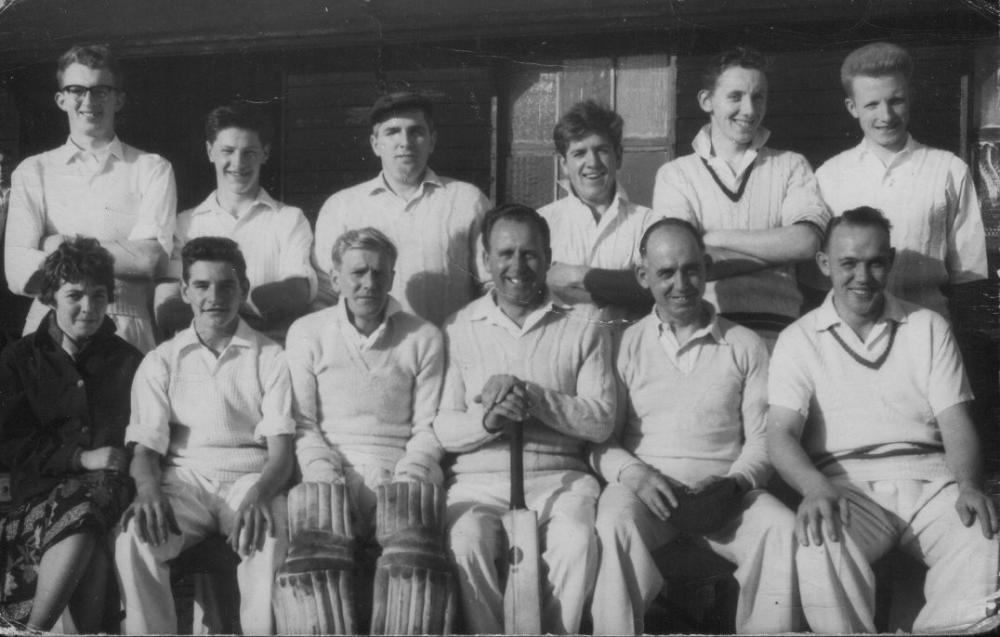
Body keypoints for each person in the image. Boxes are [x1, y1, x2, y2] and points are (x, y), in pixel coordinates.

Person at [767, 207, 998, 633]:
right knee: (818, 547)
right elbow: (780, 436)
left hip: (931, 484)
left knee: (985, 544)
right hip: (845, 487)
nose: (862, 276)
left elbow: (956, 422)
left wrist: (968, 484)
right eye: (848, 264)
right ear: (824, 266)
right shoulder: (797, 339)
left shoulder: (927, 326)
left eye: (875, 263)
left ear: (890, 261)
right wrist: (814, 488)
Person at [590, 218, 806, 634]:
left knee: (782, 529)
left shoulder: (744, 343)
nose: (681, 284)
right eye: (666, 273)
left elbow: (763, 438)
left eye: (691, 269)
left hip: (725, 497)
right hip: (646, 497)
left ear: (706, 268)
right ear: (643, 276)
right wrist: (636, 475)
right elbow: (601, 439)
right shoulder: (623, 345)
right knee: (612, 522)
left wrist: (736, 484)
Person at [434, 204, 616, 634]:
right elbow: (443, 426)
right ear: (486, 259)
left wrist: (534, 398)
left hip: (561, 480)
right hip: (480, 482)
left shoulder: (585, 324)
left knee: (575, 542)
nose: (518, 266)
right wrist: (490, 420)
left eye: (530, 254)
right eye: (505, 254)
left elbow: (602, 420)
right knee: (466, 542)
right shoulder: (459, 326)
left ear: (549, 257)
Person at [114, 237, 294, 635]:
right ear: (184, 291)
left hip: (250, 480)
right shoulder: (161, 360)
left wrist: (259, 495)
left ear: (243, 290)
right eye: (201, 286)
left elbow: (282, 454)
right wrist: (148, 492)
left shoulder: (271, 357)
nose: (215, 297)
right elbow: (144, 451)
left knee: (268, 539)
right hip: (186, 483)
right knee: (134, 540)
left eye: (227, 286)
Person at [0, 237, 142, 632]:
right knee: (89, 542)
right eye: (75, 295)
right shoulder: (19, 360)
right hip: (37, 503)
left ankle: (31, 632)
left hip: (108, 498)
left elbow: (143, 436)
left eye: (99, 296)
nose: (89, 308)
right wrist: (78, 457)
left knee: (89, 510)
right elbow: (8, 441)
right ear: (50, 297)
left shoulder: (129, 361)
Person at [4, 44, 176, 353]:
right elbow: (18, 271)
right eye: (77, 90)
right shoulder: (34, 170)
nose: (89, 101)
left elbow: (150, 260)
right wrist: (122, 256)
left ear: (118, 99)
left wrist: (59, 244)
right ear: (61, 99)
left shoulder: (152, 168)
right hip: (50, 327)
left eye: (101, 91)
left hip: (126, 327)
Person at [652, 46, 829, 347]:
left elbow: (806, 243)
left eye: (758, 97)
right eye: (735, 96)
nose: (749, 110)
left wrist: (716, 238)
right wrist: (776, 253)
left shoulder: (791, 164)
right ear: (707, 101)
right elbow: (684, 261)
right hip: (706, 335)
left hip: (780, 334)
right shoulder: (676, 174)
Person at [815, 43, 987, 321]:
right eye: (871, 104)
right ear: (852, 107)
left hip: (926, 333)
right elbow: (819, 279)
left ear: (910, 98)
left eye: (896, 100)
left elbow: (969, 275)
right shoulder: (829, 176)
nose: (886, 116)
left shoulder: (948, 170)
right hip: (850, 339)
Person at [312, 91, 491, 326]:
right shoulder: (341, 207)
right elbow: (325, 293)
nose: (405, 142)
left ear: (432, 141)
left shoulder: (467, 200)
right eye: (392, 131)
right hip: (370, 352)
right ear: (376, 144)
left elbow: (490, 284)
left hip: (451, 351)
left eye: (416, 131)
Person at [154, 102, 316, 342]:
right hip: (199, 363)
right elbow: (167, 310)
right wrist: (253, 307)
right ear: (210, 151)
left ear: (266, 153)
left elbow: (296, 294)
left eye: (249, 152)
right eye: (227, 151)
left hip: (267, 359)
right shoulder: (184, 223)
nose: (238, 163)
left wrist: (212, 308)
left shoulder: (289, 219)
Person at [539, 100, 659, 323]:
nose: (592, 162)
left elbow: (657, 288)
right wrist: (618, 289)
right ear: (563, 163)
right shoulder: (542, 222)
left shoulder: (648, 223)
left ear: (619, 156)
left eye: (601, 150)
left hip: (628, 350)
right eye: (579, 153)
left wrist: (575, 276)